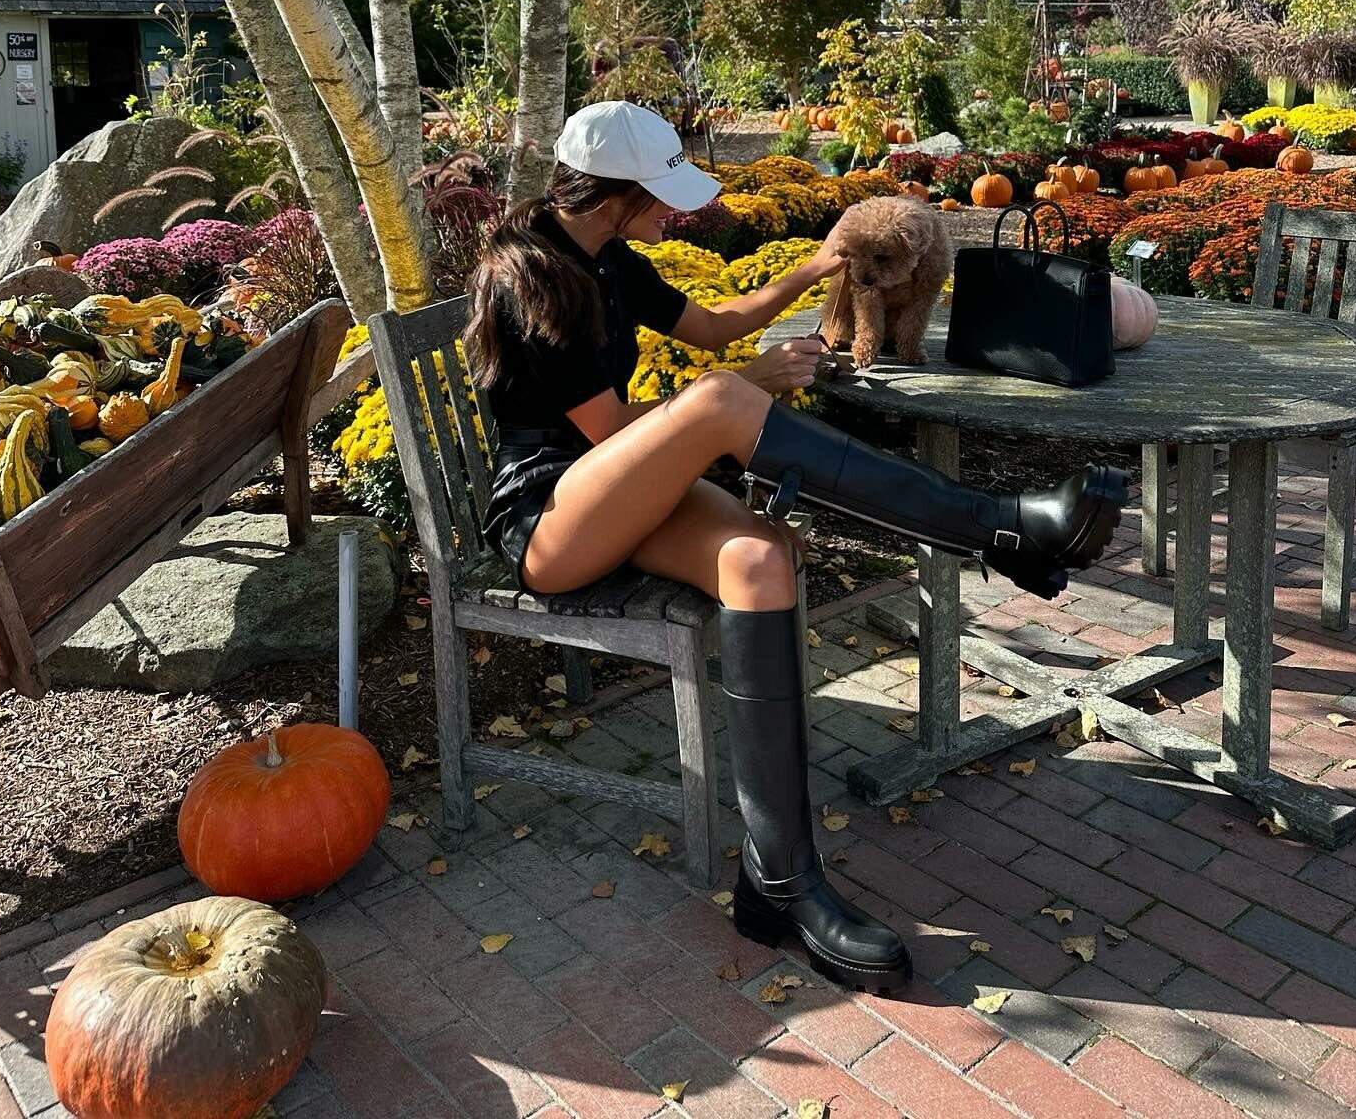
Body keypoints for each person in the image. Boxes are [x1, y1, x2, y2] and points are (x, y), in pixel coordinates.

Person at [464, 100, 1128, 994]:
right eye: (661, 197)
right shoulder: (533, 278)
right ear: (615, 192)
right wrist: (748, 385)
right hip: (550, 517)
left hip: (623, 494)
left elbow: (714, 325)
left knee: (762, 558)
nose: (676, 215)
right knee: (718, 402)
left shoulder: (610, 258)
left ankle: (778, 882)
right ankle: (1001, 527)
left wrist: (817, 266)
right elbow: (613, 432)